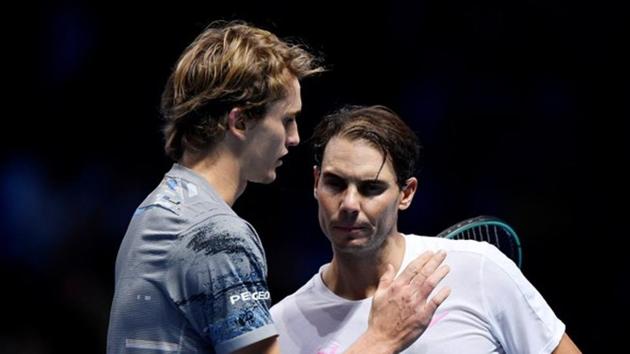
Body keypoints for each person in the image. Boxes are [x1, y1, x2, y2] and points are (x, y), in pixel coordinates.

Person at [106, 22, 451, 354]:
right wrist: (382, 338)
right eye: (286, 119)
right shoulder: (218, 237)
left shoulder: (154, 210)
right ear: (240, 121)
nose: (294, 137)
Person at [270, 105, 582, 353]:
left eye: (371, 188)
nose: (349, 203)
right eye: (335, 183)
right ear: (315, 183)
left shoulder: (480, 269)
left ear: (406, 194)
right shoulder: (282, 326)